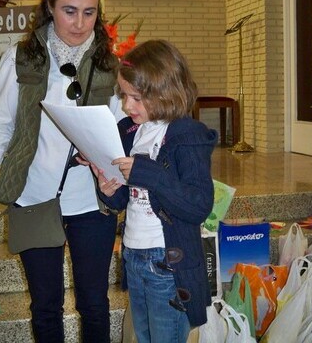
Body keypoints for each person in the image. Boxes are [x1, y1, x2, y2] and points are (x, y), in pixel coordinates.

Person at [0, 0, 118, 343]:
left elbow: (122, 134)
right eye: (69, 11)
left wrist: (110, 160)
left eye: (89, 12)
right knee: (45, 306)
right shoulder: (21, 58)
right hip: (34, 195)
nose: (79, 23)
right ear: (50, 7)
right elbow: (0, 125)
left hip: (93, 202)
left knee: (94, 303)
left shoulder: (112, 65)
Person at [90, 39, 218, 342]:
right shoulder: (134, 131)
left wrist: (145, 172)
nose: (125, 105)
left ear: (164, 93)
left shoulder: (187, 135)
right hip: (134, 255)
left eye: (135, 97)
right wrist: (110, 189)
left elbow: (198, 204)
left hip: (167, 262)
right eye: (124, 95)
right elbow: (127, 199)